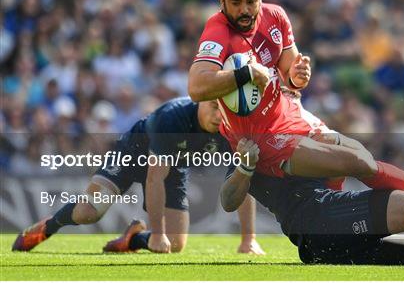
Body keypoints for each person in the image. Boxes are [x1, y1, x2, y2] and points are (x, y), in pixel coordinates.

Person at [188, 0, 404, 266]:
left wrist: (296, 75)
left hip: (310, 161)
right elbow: (197, 88)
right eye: (234, 3)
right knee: (357, 160)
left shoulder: (275, 17)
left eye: (251, 1)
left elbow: (292, 72)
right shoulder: (245, 142)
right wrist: (246, 75)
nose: (244, 10)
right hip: (314, 220)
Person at [12, 98, 265, 255]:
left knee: (176, 244)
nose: (219, 115)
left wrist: (248, 240)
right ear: (199, 101)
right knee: (90, 212)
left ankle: (133, 239)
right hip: (132, 151)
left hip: (174, 164)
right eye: (213, 107)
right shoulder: (173, 117)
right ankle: (48, 227)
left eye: (223, 110)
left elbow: (243, 178)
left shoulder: (229, 129)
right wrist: (157, 233)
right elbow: (154, 178)